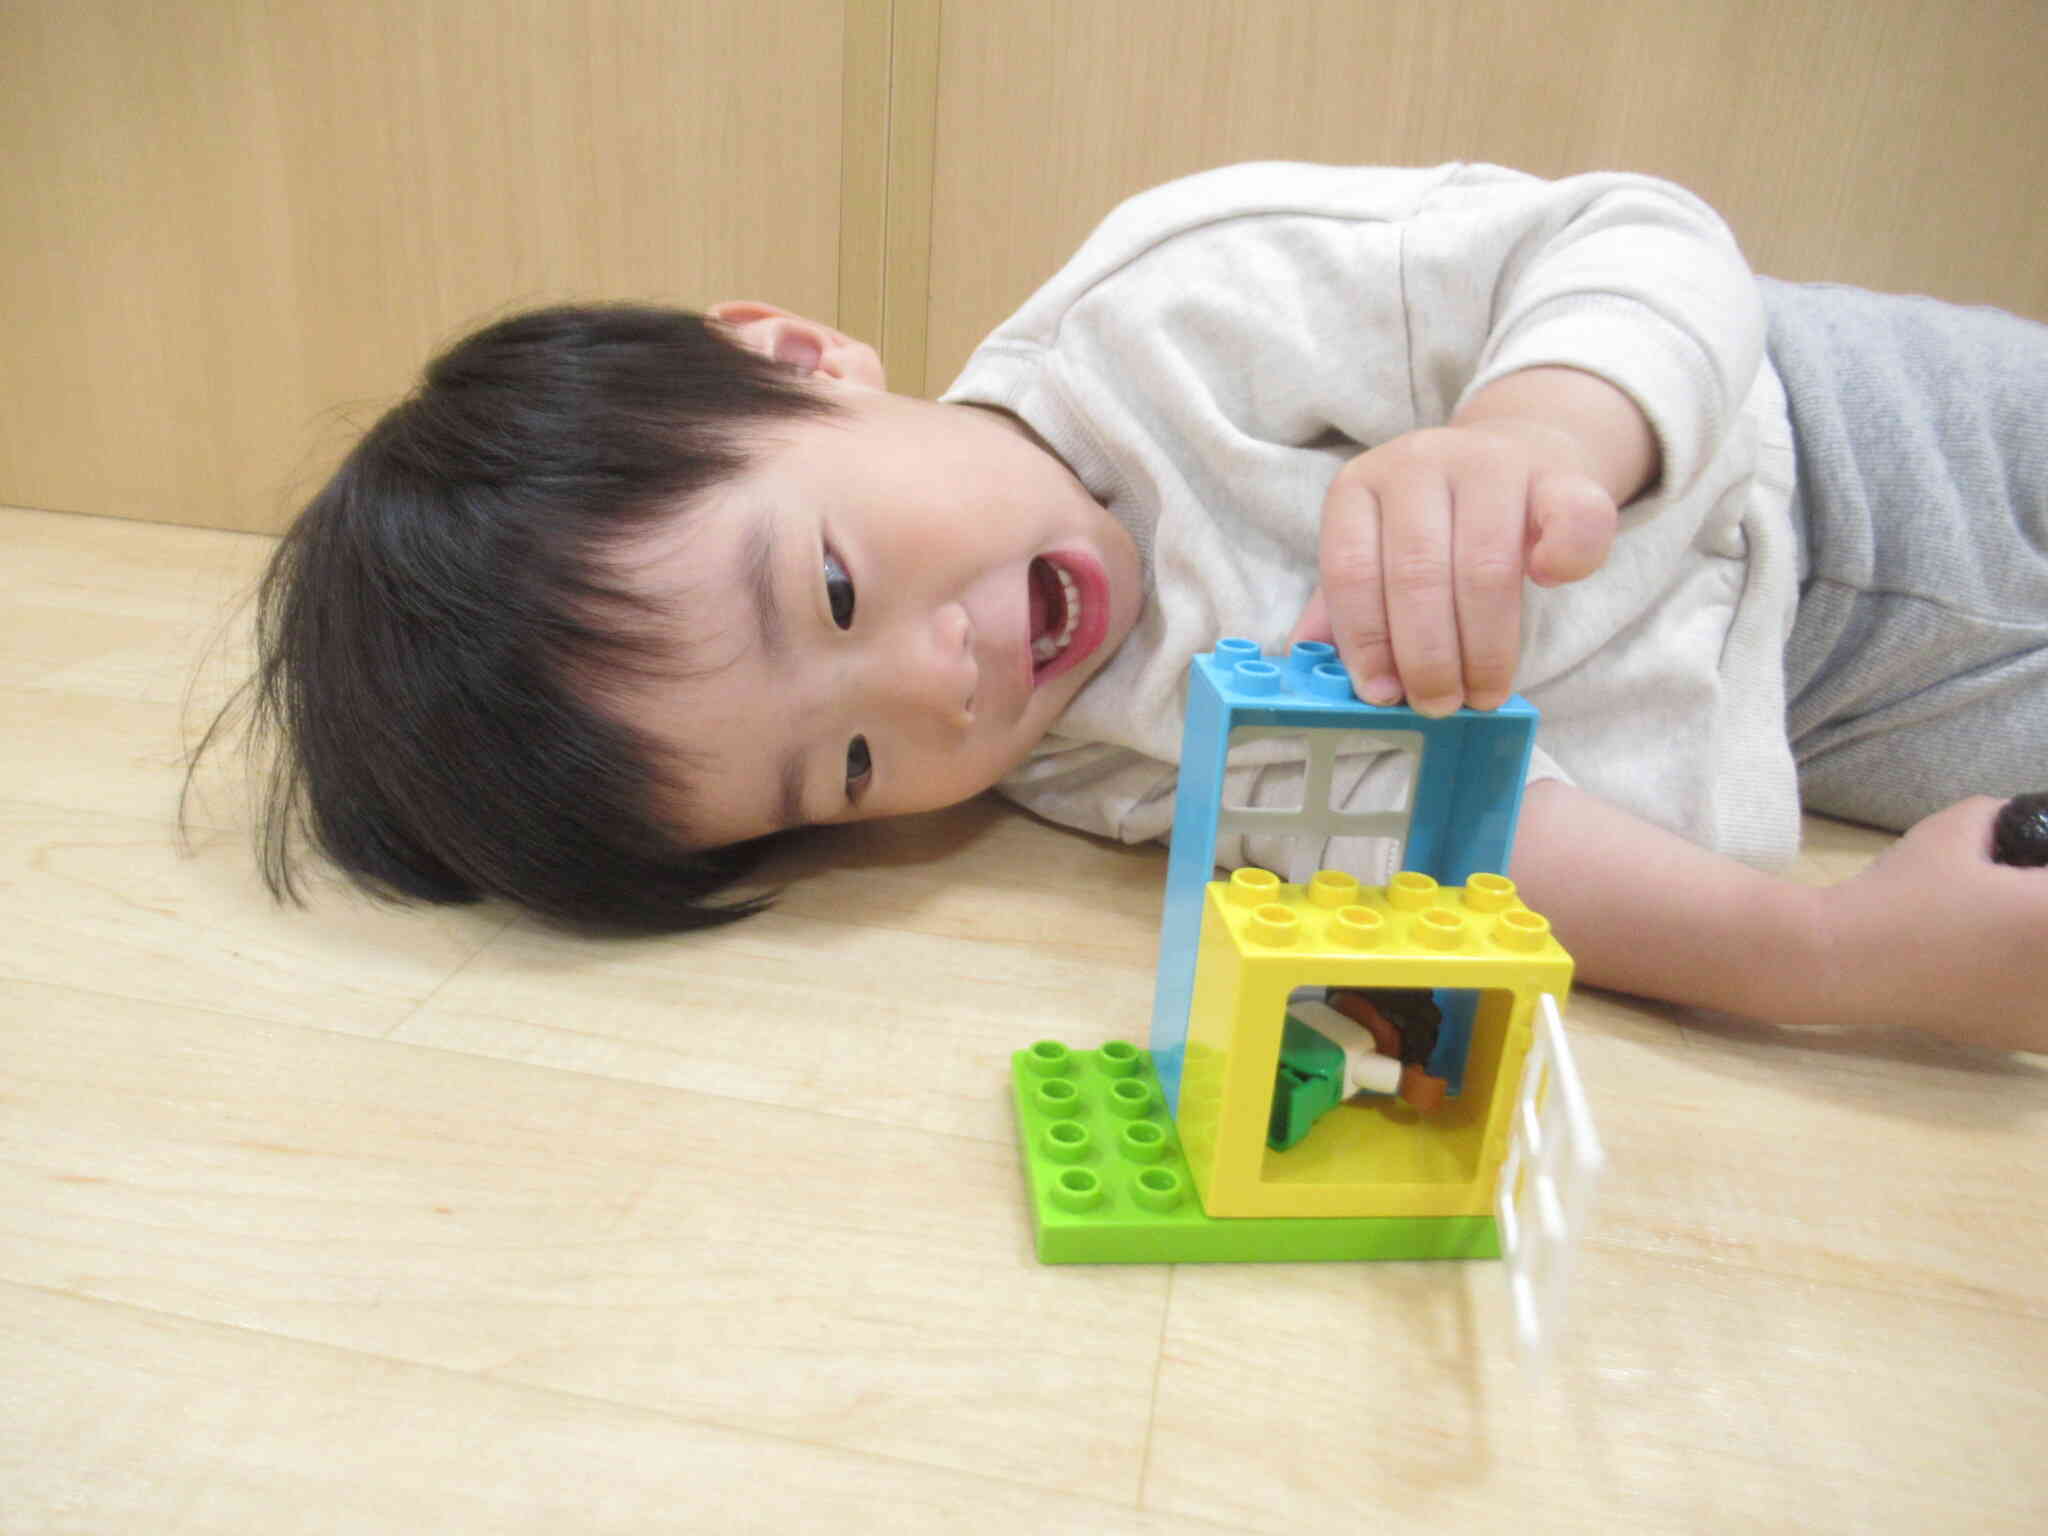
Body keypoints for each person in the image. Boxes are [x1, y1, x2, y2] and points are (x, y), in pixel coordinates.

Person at [210, 162, 2048, 1051]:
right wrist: (1825, 957)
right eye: (847, 768)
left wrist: (1533, 427)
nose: (936, 684)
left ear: (796, 358)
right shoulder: (1094, 764)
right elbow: (1473, 839)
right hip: (1831, 705)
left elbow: (1638, 234)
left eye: (833, 588)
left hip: (1867, 441)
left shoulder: (1177, 310)